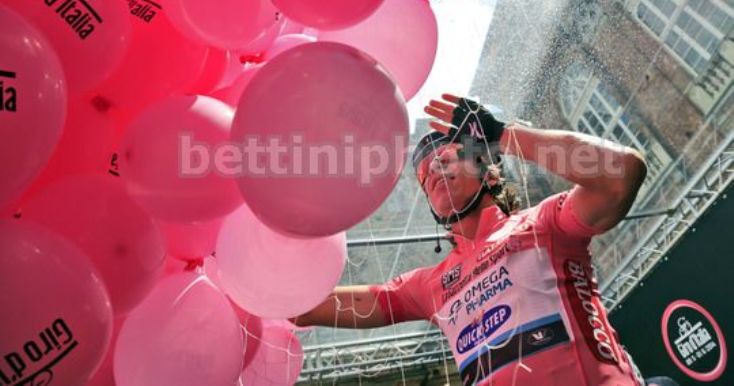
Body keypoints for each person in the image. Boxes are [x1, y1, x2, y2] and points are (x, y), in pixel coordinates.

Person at [293, 94, 666, 385]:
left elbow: (621, 176)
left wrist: (502, 136)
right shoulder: (430, 285)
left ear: (490, 175)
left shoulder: (544, 222)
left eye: (448, 158)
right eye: (424, 173)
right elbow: (310, 305)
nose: (433, 168)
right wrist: (266, 292)